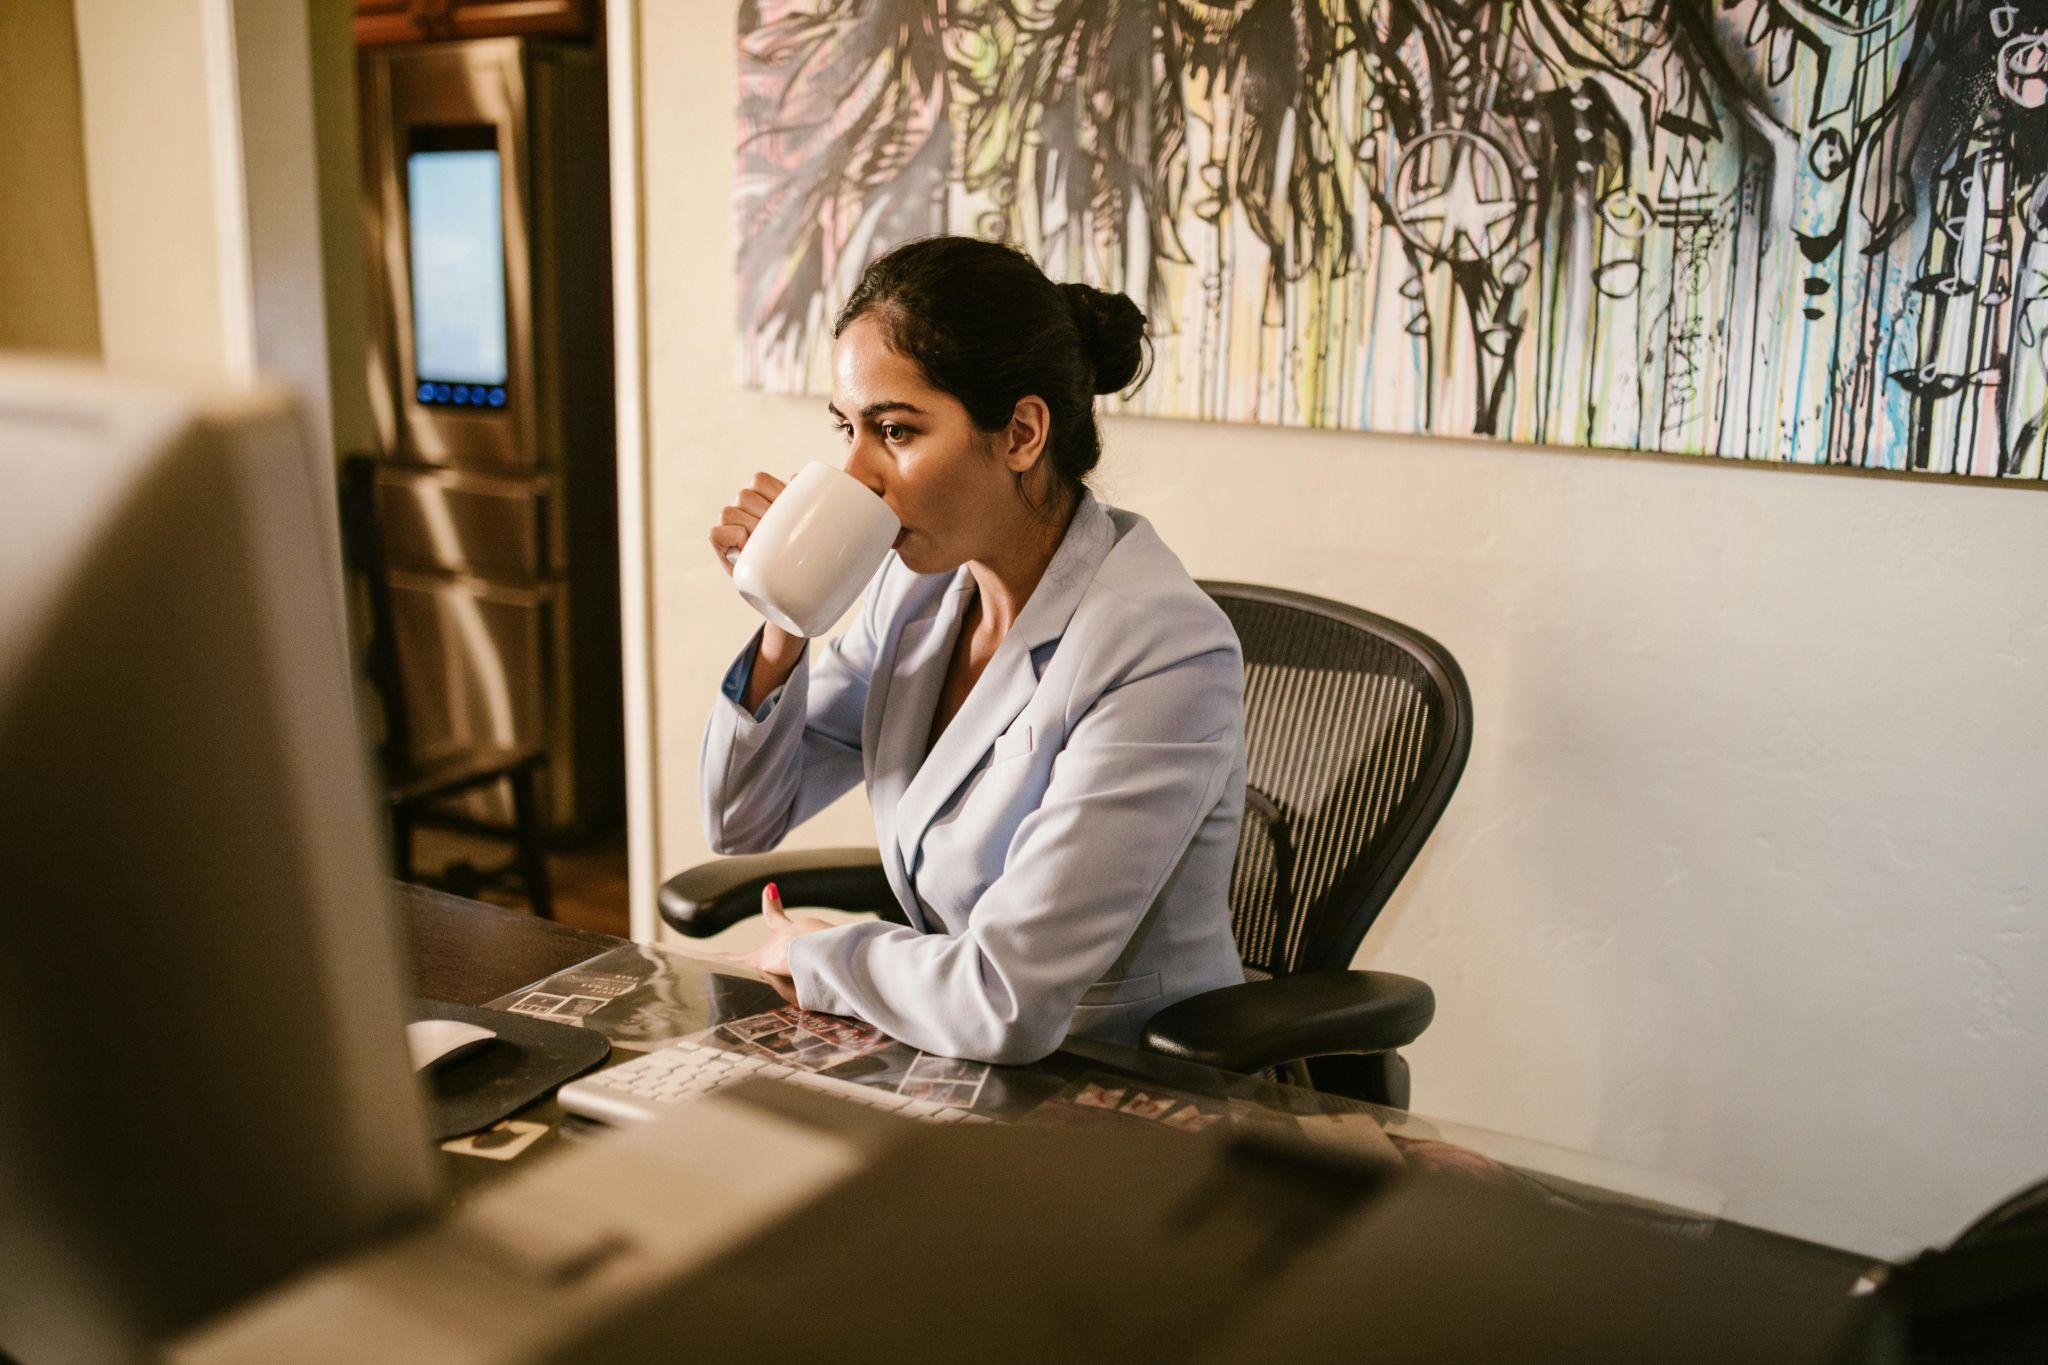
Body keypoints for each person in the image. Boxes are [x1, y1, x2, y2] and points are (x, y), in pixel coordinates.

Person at [702, 236, 1246, 1064]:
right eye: (847, 429)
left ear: (1023, 432)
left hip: (1118, 1086)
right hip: (941, 1055)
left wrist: (815, 955)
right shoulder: (916, 592)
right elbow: (742, 819)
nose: (858, 473)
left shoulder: (1163, 648)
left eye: (894, 430)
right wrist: (787, 619)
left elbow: (1007, 998)